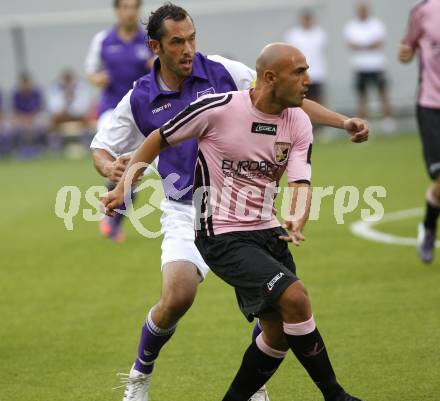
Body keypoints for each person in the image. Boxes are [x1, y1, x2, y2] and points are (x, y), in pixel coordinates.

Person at [91, 3, 368, 401]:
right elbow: (101, 148)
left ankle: (255, 385)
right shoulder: (140, 97)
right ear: (156, 46)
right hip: (187, 211)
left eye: (191, 38)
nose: (188, 49)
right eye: (176, 42)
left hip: (249, 211)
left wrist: (342, 122)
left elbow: (285, 96)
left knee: (278, 302)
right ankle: (140, 376)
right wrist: (114, 174)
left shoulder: (222, 72)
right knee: (178, 296)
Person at [85, 0, 155, 242]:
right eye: (125, 7)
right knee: (118, 164)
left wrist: (154, 65)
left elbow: (164, 70)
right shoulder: (103, 40)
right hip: (111, 110)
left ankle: (112, 218)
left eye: (134, 7)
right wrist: (98, 79)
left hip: (141, 113)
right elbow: (90, 71)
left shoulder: (150, 41)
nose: (129, 11)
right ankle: (112, 214)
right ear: (117, 11)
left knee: (134, 174)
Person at [399, 0, 440, 263]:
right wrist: (406, 53)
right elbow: (407, 48)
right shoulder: (423, 10)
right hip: (431, 105)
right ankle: (428, 228)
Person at [344, 3, 396, 132]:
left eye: (364, 10)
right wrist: (368, 45)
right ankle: (362, 125)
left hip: (377, 65)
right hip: (360, 66)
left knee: (383, 93)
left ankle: (388, 122)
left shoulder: (376, 24)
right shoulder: (351, 26)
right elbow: (351, 44)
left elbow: (379, 43)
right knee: (362, 97)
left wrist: (362, 46)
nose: (362, 12)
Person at [284, 8, 327, 104]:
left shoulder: (319, 33)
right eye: (305, 18)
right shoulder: (293, 34)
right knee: (301, 99)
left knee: (318, 99)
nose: (307, 20)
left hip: (317, 72)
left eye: (308, 18)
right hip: (300, 73)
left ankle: (320, 119)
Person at [12, 72, 47, 158]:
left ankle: (41, 147)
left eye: (27, 83)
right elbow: (16, 110)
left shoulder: (36, 93)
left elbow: (39, 108)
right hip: (21, 118)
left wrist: (30, 117)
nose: (26, 86)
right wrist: (24, 118)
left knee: (42, 123)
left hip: (34, 117)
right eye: (23, 84)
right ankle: (17, 149)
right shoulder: (17, 94)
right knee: (13, 126)